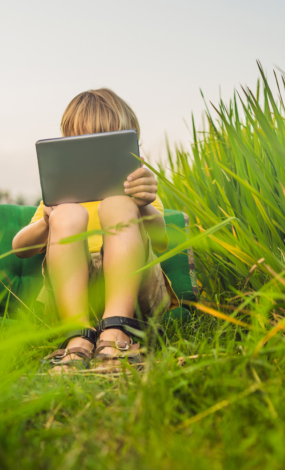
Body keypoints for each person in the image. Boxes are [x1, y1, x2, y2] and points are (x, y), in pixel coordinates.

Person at [12, 88, 178, 373]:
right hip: (73, 293)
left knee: (118, 204)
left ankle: (116, 332)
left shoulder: (136, 193)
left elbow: (162, 243)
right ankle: (78, 335)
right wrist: (47, 221)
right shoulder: (60, 196)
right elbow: (20, 248)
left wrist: (144, 206)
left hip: (136, 290)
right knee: (66, 213)